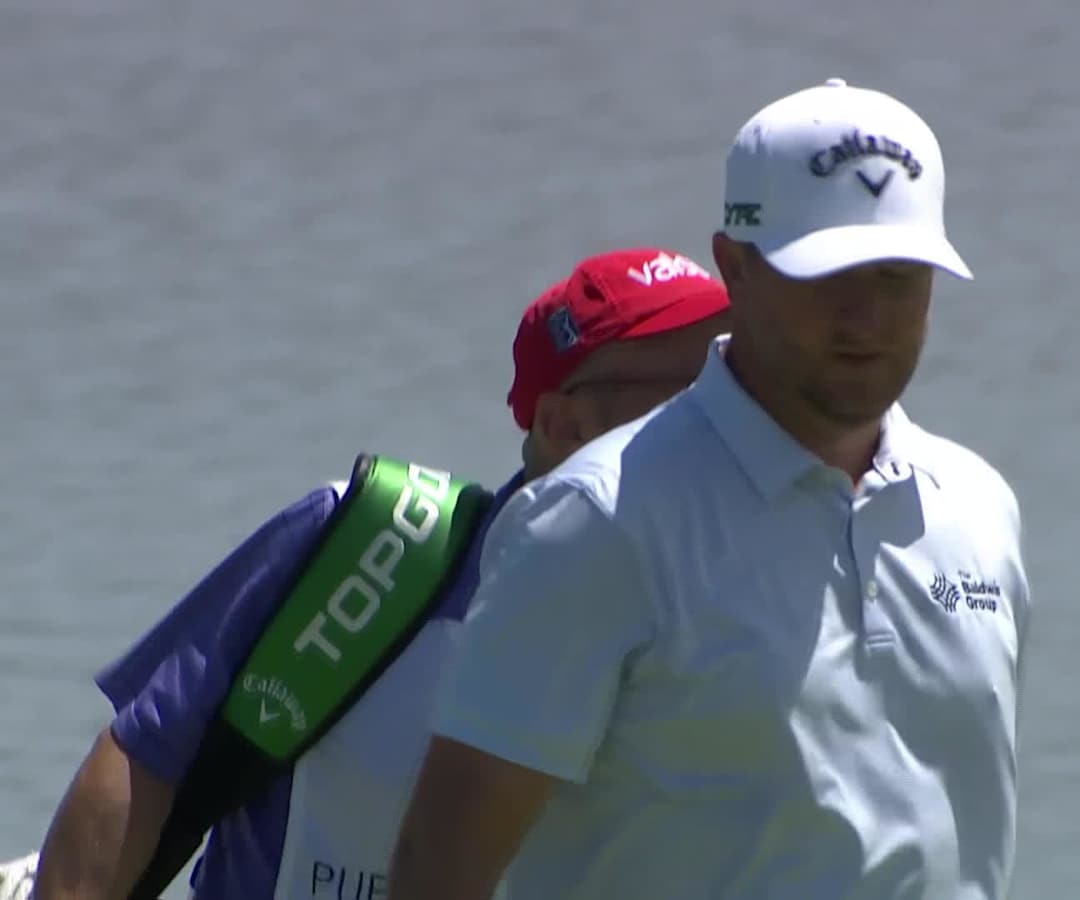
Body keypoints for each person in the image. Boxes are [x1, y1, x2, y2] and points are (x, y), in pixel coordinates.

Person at [389, 77, 1032, 900]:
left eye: (895, 277)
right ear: (735, 266)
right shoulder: (597, 521)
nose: (863, 318)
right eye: (826, 275)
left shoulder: (978, 509)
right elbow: (438, 874)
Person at [29, 246, 732, 900]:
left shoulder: (742, 604)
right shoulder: (375, 543)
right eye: (691, 389)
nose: (726, 415)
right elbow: (146, 756)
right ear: (564, 425)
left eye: (735, 375)